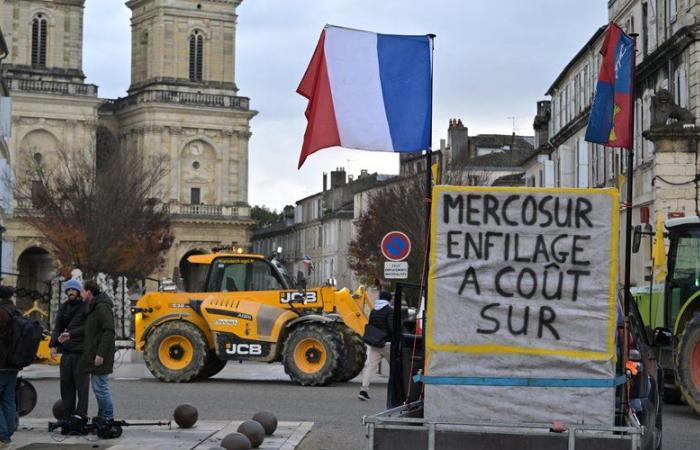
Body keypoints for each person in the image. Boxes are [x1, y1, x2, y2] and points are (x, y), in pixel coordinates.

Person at [50, 278, 89, 419]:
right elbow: (57, 328)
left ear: (79, 291)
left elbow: (88, 327)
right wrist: (53, 345)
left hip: (81, 352)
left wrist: (71, 334)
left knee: (82, 387)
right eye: (69, 290)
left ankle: (81, 416)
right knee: (66, 387)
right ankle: (67, 416)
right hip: (66, 352)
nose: (71, 292)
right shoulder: (64, 307)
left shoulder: (86, 306)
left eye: (74, 290)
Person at [81, 280, 115, 421]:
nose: (81, 294)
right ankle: (102, 417)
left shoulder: (101, 307)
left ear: (89, 292)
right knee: (98, 387)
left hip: (101, 354)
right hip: (95, 353)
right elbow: (91, 330)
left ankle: (108, 417)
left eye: (83, 291)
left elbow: (109, 331)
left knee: (100, 387)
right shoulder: (94, 306)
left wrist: (100, 354)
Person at [359, 290, 394, 401]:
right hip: (387, 344)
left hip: (375, 343)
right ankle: (395, 391)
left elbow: (371, 325)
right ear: (388, 299)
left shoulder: (374, 311)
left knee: (370, 366)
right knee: (395, 367)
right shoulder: (389, 310)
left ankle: (363, 390)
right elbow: (391, 327)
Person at [0, 286, 18, 447]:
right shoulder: (16, 311)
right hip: (14, 363)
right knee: (9, 400)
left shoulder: (1, 313)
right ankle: (9, 431)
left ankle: (3, 435)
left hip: (1, 363)